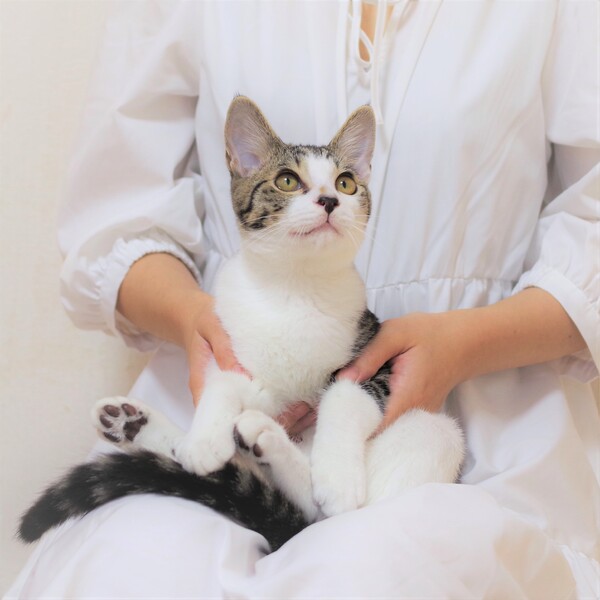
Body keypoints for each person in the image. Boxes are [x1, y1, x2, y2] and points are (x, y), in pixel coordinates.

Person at [7, 1, 599, 597]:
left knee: (382, 567)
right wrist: (195, 320)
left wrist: (460, 344)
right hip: (230, 381)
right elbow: (115, 221)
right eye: (294, 183)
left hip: (485, 419)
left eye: (344, 182)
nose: (327, 197)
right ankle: (195, 454)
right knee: (140, 567)